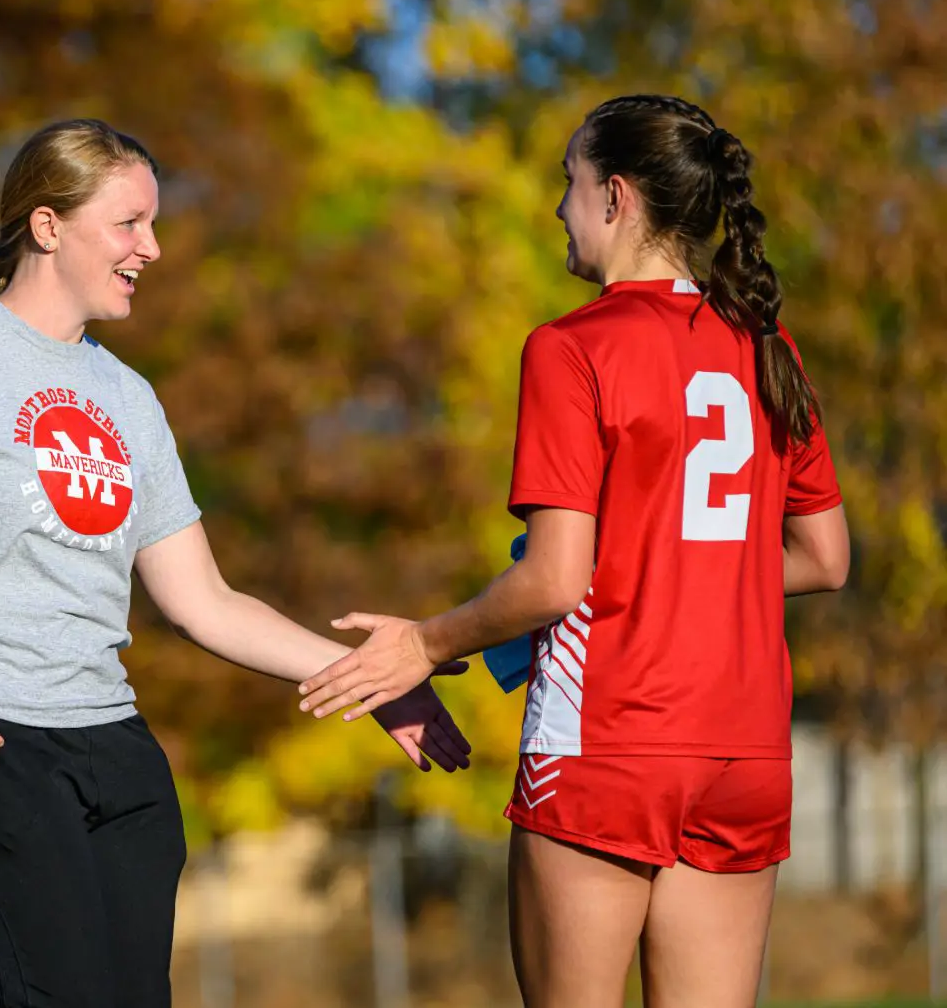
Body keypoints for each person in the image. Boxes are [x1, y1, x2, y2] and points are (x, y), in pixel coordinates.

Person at [0, 118, 472, 1008]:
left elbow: (207, 603)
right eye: (129, 224)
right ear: (47, 227)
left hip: (113, 749)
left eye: (152, 225)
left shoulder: (128, 397)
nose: (151, 248)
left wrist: (376, 677)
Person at [296, 95, 850, 1008]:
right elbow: (824, 558)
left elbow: (554, 580)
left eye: (571, 182)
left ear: (616, 199)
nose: (559, 205)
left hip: (612, 742)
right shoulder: (768, 343)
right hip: (746, 754)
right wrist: (678, 569)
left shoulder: (570, 346)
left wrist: (425, 644)